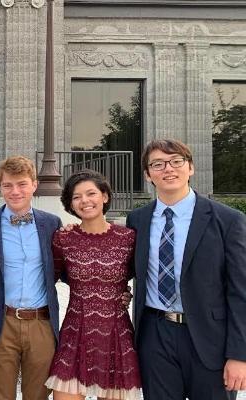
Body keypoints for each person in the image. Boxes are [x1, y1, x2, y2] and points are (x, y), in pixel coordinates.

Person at [126, 139, 246, 399]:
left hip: (210, 339)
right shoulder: (138, 220)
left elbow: (240, 292)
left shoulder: (228, 221)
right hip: (155, 335)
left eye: (176, 161)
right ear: (148, 175)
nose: (168, 169)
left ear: (190, 168)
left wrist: (239, 355)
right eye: (158, 164)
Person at [45, 170, 140, 400]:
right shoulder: (62, 239)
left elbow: (141, 277)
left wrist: (126, 294)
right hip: (75, 332)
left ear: (105, 196)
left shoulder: (128, 238)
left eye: (91, 193)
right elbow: (50, 278)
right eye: (76, 197)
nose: (85, 201)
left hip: (116, 334)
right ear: (70, 204)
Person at [0, 155, 62, 400]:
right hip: (1, 322)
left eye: (22, 184)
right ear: (0, 187)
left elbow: (63, 268)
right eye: (8, 185)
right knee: (1, 395)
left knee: (39, 395)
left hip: (41, 322)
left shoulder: (52, 224)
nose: (15, 191)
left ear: (34, 185)